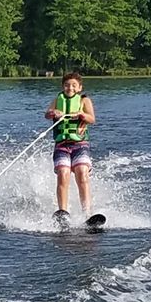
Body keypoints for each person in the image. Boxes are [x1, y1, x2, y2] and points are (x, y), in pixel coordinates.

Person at [45, 71, 96, 219]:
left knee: (82, 172)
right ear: (63, 87)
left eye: (74, 85)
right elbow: (47, 114)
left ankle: (87, 213)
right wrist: (54, 112)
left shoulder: (84, 101)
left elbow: (92, 119)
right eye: (67, 85)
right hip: (61, 144)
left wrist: (81, 115)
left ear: (79, 87)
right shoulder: (57, 99)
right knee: (63, 174)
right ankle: (63, 212)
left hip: (80, 144)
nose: (70, 88)